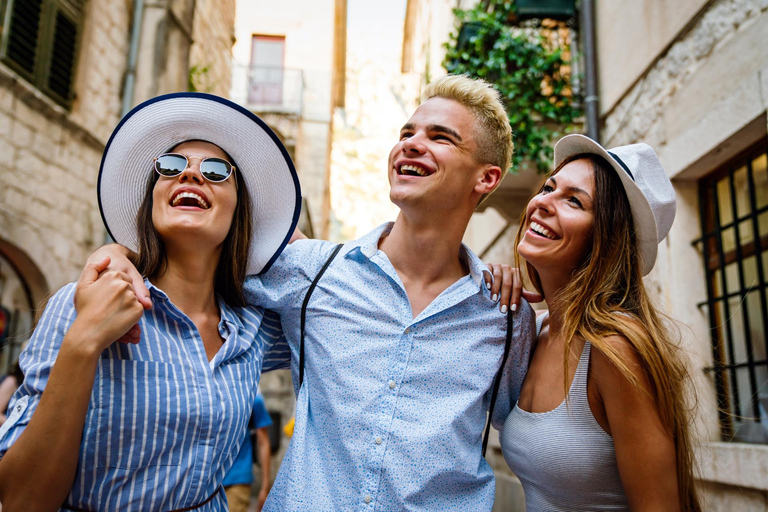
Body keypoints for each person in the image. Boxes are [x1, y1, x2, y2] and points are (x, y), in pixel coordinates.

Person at [79, 74, 536, 511]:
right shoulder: (313, 271)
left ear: (487, 179)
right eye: (407, 131)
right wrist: (121, 252)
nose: (411, 143)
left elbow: (530, 427)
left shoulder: (506, 315)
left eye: (441, 137)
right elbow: (194, 250)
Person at [0, 93, 299, 511]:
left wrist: (271, 234)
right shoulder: (83, 302)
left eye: (216, 171)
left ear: (240, 211)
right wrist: (83, 342)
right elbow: (20, 501)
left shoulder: (255, 329)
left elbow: (321, 280)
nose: (190, 176)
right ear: (153, 196)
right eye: (171, 167)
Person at [489, 135, 701, 511]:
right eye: (549, 187)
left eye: (574, 200)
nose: (541, 203)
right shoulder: (533, 332)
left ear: (606, 238)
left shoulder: (613, 347)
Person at [223, 392, 273, 512]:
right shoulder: (205, 398)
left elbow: (264, 443)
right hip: (204, 484)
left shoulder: (254, 400)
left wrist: (265, 487)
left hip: (237, 480)